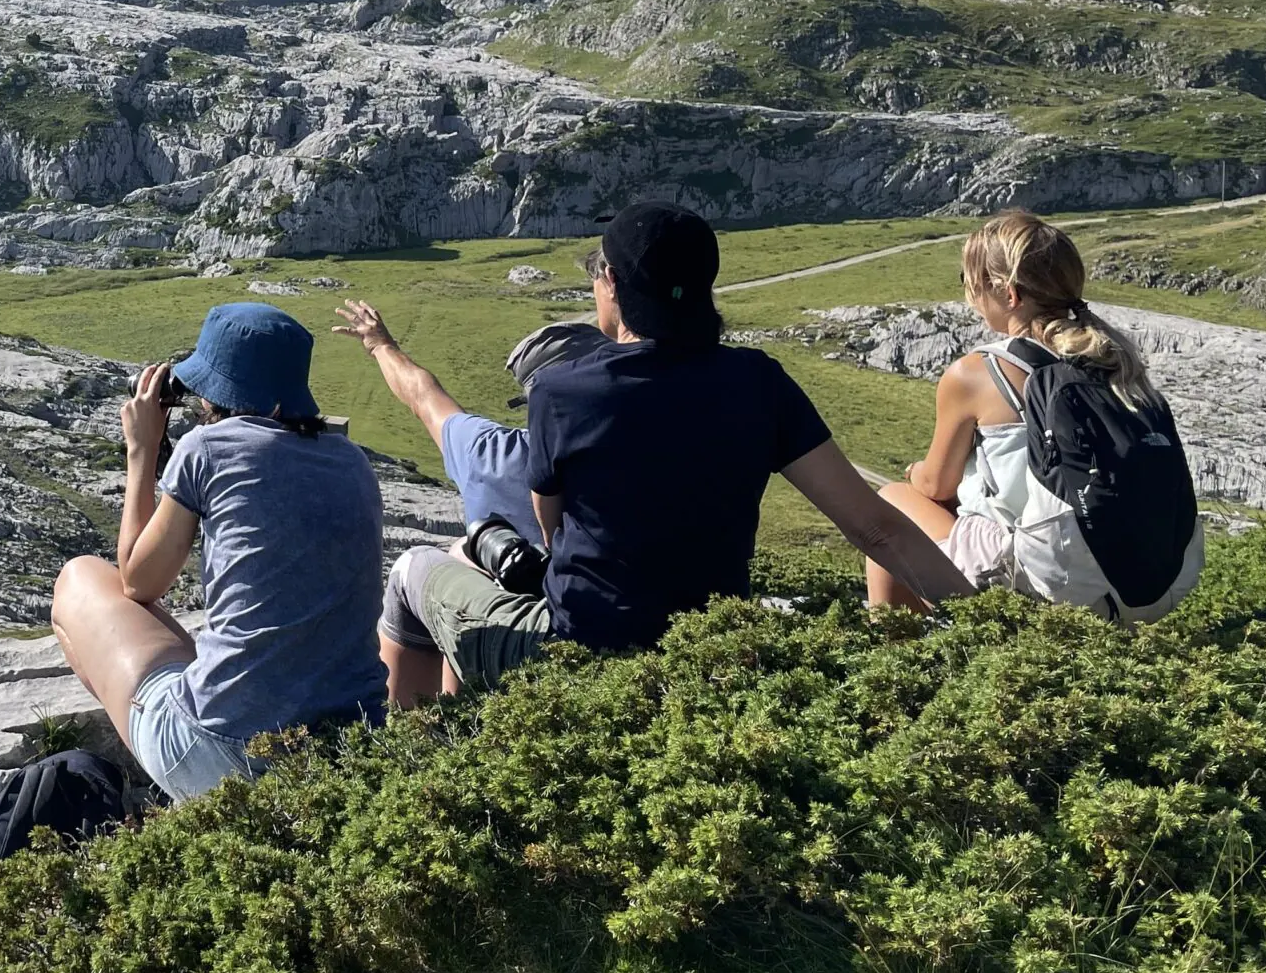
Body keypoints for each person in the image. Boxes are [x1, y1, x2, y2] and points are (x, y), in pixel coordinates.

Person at [337, 203, 973, 707]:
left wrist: (379, 344)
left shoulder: (563, 393)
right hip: (707, 648)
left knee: (416, 569)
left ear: (611, 284)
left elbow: (555, 529)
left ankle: (419, 753)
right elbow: (876, 527)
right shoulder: (758, 380)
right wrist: (995, 628)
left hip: (577, 654)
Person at [50, 301, 388, 801]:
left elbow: (138, 583)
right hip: (347, 751)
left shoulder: (207, 449)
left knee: (78, 579)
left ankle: (176, 792)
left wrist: (142, 451)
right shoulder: (353, 461)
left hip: (224, 752)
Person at [868, 209, 1203, 618]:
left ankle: (896, 656)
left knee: (890, 503)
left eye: (970, 284)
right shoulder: (1116, 363)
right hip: (1147, 593)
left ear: (1009, 295)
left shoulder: (976, 373)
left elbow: (936, 485)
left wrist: (916, 471)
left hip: (1053, 583)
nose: (969, 296)